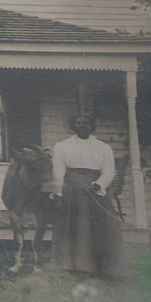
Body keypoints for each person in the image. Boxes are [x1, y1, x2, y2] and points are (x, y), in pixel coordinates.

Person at [51, 114, 123, 278]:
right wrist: (58, 191)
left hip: (95, 189)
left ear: (91, 126)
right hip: (72, 189)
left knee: (98, 225)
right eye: (78, 123)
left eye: (85, 123)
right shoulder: (62, 146)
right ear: (73, 127)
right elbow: (58, 170)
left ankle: (99, 265)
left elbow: (109, 171)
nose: (82, 126)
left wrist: (99, 184)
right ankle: (70, 264)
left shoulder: (103, 147)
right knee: (73, 225)